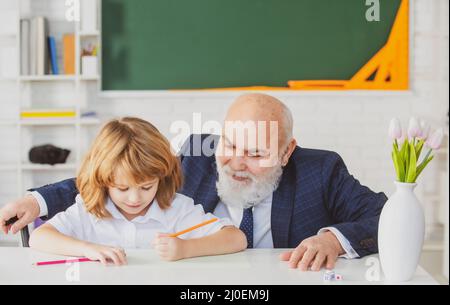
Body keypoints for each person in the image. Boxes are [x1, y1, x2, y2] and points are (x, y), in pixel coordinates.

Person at [1, 93, 386, 271]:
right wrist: (39, 202)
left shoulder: (321, 170)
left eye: (256, 154)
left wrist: (332, 239)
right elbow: (120, 174)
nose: (237, 162)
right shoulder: (199, 152)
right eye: (231, 144)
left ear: (286, 152)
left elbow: (383, 215)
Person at [28, 117, 246, 265]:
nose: (135, 199)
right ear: (103, 180)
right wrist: (87, 249)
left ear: (162, 178)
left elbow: (236, 239)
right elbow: (39, 237)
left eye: (146, 187)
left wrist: (186, 249)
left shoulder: (176, 208)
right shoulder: (89, 209)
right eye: (122, 188)